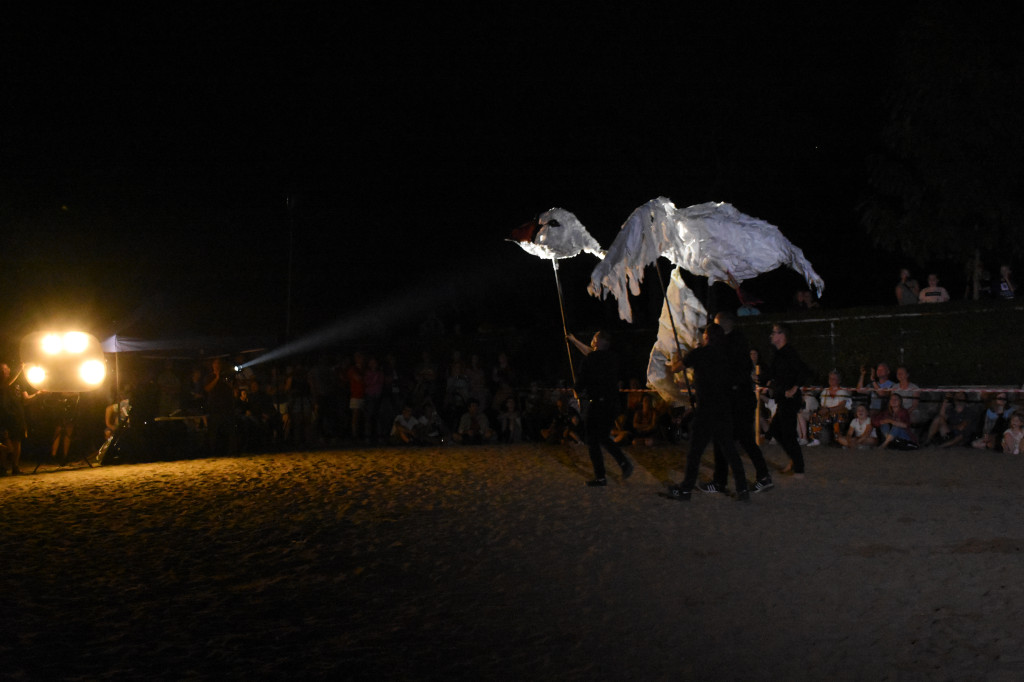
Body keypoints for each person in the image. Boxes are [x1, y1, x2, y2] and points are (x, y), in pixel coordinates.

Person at [665, 323, 749, 501]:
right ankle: (742, 489)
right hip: (724, 409)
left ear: (707, 337)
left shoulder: (700, 353)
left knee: (695, 452)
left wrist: (679, 357)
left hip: (706, 410)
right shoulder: (726, 355)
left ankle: (686, 489)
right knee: (730, 450)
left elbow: (676, 368)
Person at [708, 310, 773, 493]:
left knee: (743, 439)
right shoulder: (732, 342)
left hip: (738, 401)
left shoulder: (733, 343)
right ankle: (721, 480)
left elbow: (735, 373)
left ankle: (761, 476)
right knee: (726, 440)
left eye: (716, 324)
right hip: (734, 399)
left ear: (723, 324)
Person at [567, 331, 634, 487]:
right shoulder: (613, 358)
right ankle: (623, 463)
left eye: (594, 339)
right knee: (603, 437)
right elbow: (592, 354)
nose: (592, 341)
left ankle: (601, 477)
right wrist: (574, 340)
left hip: (599, 404)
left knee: (592, 439)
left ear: (599, 342)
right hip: (612, 404)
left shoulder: (591, 359)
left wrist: (575, 391)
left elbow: (583, 378)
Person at [764, 323, 810, 476]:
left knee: (788, 433)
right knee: (776, 430)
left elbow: (803, 370)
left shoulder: (789, 352)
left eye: (774, 332)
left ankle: (799, 468)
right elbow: (776, 374)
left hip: (790, 399)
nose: (771, 335)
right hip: (782, 398)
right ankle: (794, 461)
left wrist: (794, 388)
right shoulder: (777, 353)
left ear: (782, 336)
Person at [205, 357, 238, 456]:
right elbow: (207, 388)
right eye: (215, 363)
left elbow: (233, 387)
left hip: (227, 407)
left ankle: (231, 451)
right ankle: (213, 452)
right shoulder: (209, 377)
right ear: (212, 365)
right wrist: (216, 378)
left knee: (230, 430)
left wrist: (224, 381)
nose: (217, 365)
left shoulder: (227, 376)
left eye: (219, 363)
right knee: (214, 431)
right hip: (214, 407)